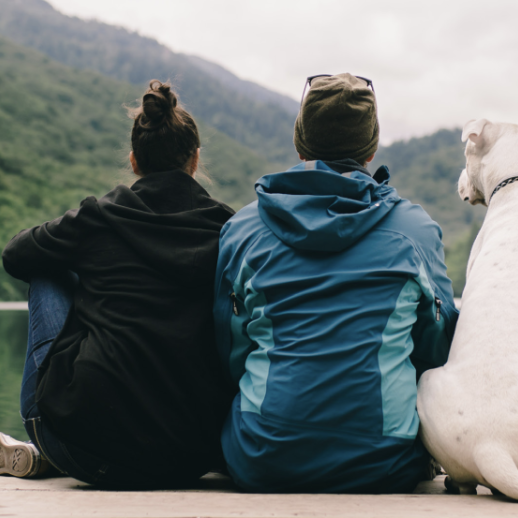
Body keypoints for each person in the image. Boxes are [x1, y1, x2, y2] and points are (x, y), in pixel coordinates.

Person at [213, 73, 460, 493]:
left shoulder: (243, 229)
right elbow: (437, 343)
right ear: (372, 149)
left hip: (262, 455)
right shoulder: (416, 231)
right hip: (385, 460)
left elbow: (230, 348)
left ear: (299, 144)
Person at [0, 80, 236, 488]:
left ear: (134, 161)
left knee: (48, 268)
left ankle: (47, 447)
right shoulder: (227, 230)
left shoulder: (98, 218)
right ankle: (52, 453)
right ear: (195, 159)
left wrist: (88, 268)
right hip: (194, 455)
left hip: (87, 454)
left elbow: (15, 255)